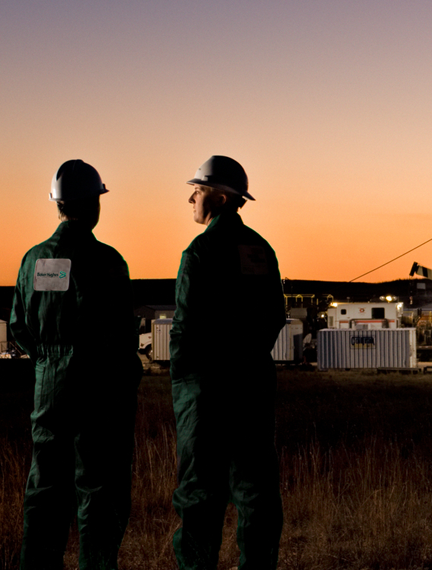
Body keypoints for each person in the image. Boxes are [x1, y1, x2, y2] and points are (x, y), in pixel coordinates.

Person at [10, 159, 141, 570]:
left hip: (49, 387)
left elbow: (19, 326)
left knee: (46, 490)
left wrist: (51, 359)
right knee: (100, 493)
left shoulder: (33, 261)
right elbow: (122, 332)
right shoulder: (106, 261)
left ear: (58, 204)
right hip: (98, 386)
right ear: (93, 204)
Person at [170, 155, 287, 570]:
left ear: (219, 198)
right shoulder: (261, 250)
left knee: (200, 492)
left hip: (207, 388)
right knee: (256, 491)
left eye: (198, 191)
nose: (191, 198)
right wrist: (250, 355)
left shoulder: (201, 251)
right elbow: (275, 315)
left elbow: (183, 329)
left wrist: (185, 388)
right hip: (253, 383)